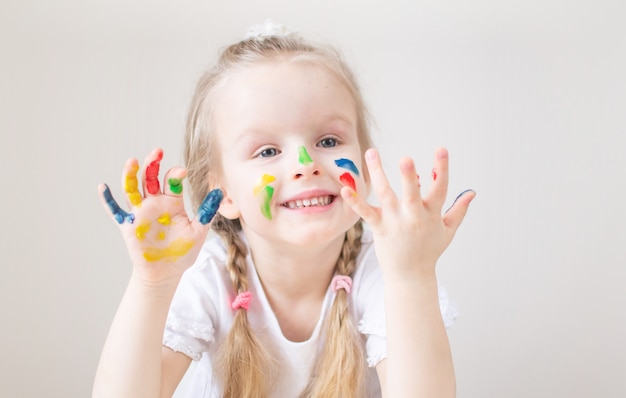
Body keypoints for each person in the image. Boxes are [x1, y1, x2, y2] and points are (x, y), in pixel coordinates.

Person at [93, 21, 475, 398]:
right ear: (222, 193)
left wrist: (413, 277)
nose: (305, 163)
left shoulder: (382, 276)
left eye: (329, 139)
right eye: (268, 151)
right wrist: (153, 283)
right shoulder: (209, 278)